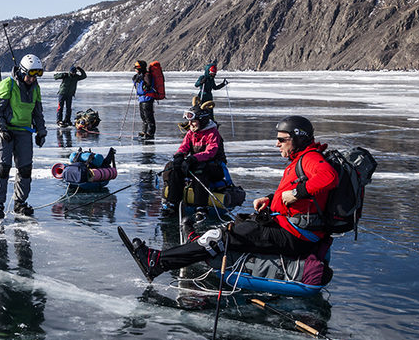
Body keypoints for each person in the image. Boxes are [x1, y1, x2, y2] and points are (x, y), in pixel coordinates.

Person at [128, 116, 339, 282]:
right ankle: (193, 248)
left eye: (282, 140)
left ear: (299, 139)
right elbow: (301, 190)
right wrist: (271, 198)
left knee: (219, 236)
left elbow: (329, 177)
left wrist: (295, 194)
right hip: (290, 227)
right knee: (234, 227)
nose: (277, 144)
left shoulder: (311, 158)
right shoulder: (302, 159)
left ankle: (157, 262)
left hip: (294, 235)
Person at [0, 54, 48, 219]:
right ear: (23, 72)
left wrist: (41, 131)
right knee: (3, 168)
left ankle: (19, 203)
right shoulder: (8, 85)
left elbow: (38, 113)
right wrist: (1, 129)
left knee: (25, 169)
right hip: (4, 132)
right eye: (31, 74)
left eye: (38, 74)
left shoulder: (36, 88)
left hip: (23, 132)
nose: (33, 78)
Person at [172, 101, 227, 194]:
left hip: (215, 167)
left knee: (200, 170)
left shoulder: (213, 133)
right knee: (173, 167)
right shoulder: (191, 133)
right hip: (196, 163)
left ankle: (200, 205)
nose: (190, 124)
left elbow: (210, 152)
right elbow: (184, 147)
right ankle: (172, 201)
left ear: (201, 121)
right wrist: (179, 156)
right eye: (189, 121)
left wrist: (193, 158)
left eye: (193, 121)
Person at [132, 60, 156, 139]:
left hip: (147, 99)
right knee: (143, 116)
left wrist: (144, 84)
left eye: (137, 68)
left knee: (148, 117)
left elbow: (148, 85)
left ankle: (150, 133)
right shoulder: (140, 76)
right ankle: (144, 131)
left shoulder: (147, 75)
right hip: (142, 99)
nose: (135, 69)